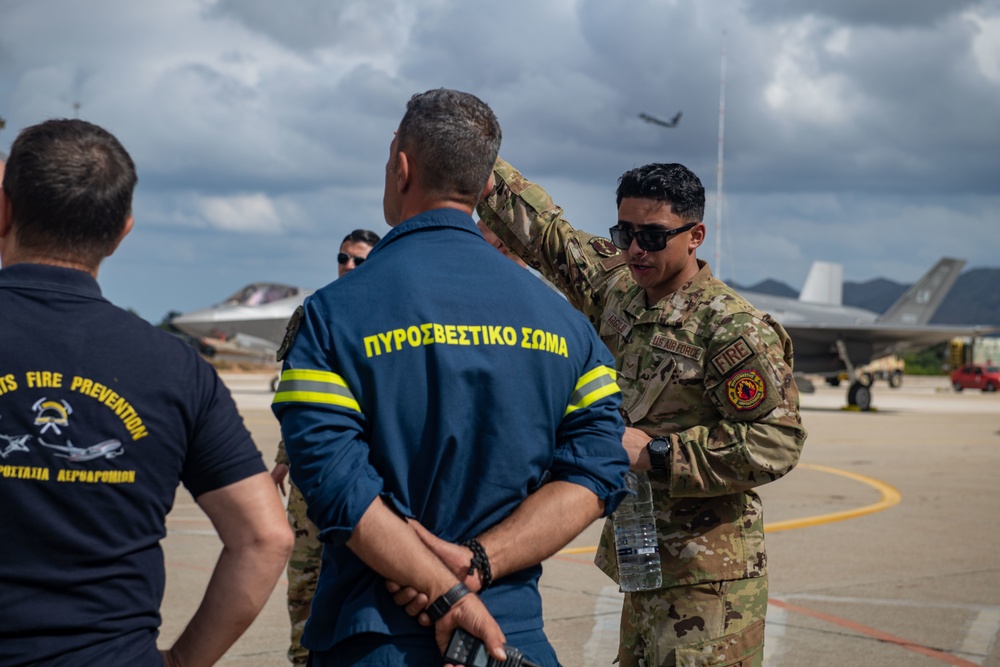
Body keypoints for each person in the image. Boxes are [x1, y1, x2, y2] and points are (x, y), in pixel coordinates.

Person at [271, 88, 630, 666]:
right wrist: (479, 562)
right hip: (511, 641)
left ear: (401, 167)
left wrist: (444, 593)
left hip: (376, 638)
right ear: (487, 188)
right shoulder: (566, 325)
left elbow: (332, 481)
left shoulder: (334, 315)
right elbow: (599, 469)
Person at [477, 158, 807, 666]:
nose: (635, 249)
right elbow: (548, 235)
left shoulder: (730, 328)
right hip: (644, 563)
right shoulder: (620, 293)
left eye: (652, 236)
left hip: (709, 581)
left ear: (695, 235)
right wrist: (477, 159)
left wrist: (656, 452)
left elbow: (776, 441)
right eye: (624, 232)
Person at [0, 120, 293, 667]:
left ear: (4, 210)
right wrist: (182, 662)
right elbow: (266, 537)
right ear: (122, 232)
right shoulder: (175, 367)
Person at [270, 227, 381, 666]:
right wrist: (283, 460)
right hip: (310, 485)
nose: (349, 267)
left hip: (364, 480)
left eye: (360, 261)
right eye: (343, 258)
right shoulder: (316, 315)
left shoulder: (392, 317)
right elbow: (303, 399)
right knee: (303, 586)